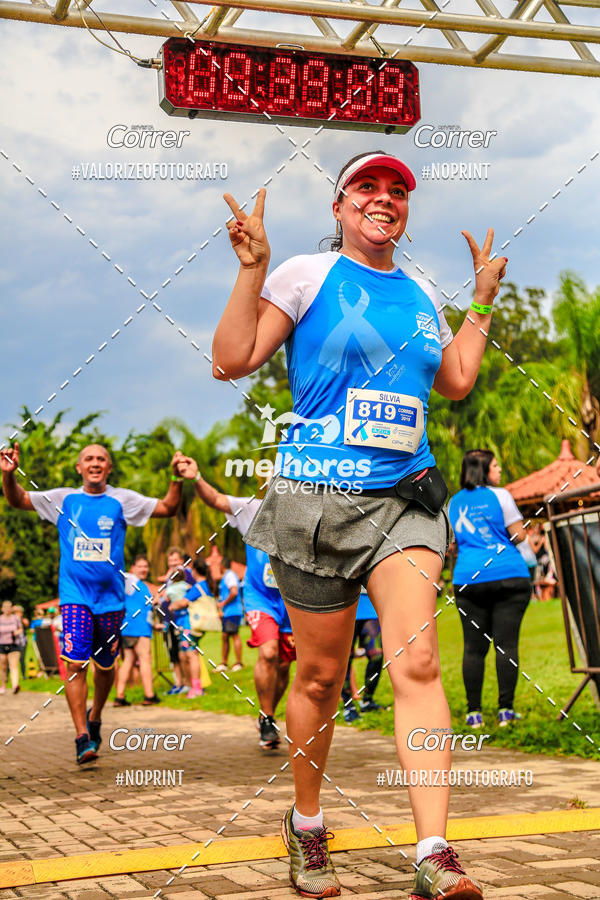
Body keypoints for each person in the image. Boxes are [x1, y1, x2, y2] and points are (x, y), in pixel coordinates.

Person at [212, 151, 506, 900]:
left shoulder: (421, 292)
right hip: (316, 499)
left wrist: (479, 303)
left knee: (418, 664)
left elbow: (456, 381)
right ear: (340, 206)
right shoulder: (305, 275)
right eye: (366, 187)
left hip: (406, 499)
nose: (384, 198)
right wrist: (252, 268)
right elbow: (231, 359)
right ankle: (307, 824)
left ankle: (434, 851)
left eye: (396, 190)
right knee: (319, 677)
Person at [0, 442, 193, 763]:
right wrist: (9, 474)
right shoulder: (63, 499)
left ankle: (96, 717)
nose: (94, 463)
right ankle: (81, 737)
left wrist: (176, 479)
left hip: (111, 601)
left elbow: (169, 508)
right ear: (79, 468)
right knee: (75, 663)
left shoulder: (122, 500)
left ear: (109, 467)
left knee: (105, 667)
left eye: (101, 459)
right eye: (88, 458)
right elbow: (18, 499)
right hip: (75, 596)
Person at [183, 464, 296, 749]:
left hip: (292, 599)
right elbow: (216, 499)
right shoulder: (251, 509)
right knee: (268, 653)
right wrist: (196, 477)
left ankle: (267, 715)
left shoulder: (305, 514)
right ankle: (267, 718)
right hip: (260, 597)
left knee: (284, 665)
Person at [448, 450, 531, 730]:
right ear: (483, 469)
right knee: (506, 645)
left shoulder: (453, 502)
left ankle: (474, 714)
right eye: (495, 465)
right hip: (508, 574)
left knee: (473, 649)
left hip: (469, 578)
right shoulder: (501, 495)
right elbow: (519, 535)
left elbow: (451, 544)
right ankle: (506, 711)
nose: (499, 469)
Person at [114, 555, 160, 707]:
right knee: (145, 659)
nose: (143, 569)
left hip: (131, 627)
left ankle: (119, 696)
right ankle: (149, 695)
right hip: (138, 627)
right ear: (133, 567)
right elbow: (119, 574)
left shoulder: (143, 585)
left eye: (146, 566)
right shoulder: (130, 580)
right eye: (140, 566)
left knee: (128, 660)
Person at [341, 589, 383, 722]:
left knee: (377, 654)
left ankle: (367, 700)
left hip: (369, 605)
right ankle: (349, 707)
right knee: (344, 659)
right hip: (344, 604)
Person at [158, 546, 195, 694]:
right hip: (170, 620)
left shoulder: (185, 573)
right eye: (171, 560)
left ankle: (186, 683)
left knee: (182, 652)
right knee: (173, 653)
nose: (173, 563)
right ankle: (179, 683)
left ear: (181, 560)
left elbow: (193, 590)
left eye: (176, 560)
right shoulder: (170, 576)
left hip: (181, 620)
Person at [165, 565, 204, 698]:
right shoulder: (187, 587)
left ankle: (196, 687)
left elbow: (166, 600)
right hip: (187, 621)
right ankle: (192, 685)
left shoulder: (169, 589)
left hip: (181, 623)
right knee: (186, 653)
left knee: (190, 653)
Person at [216, 557, 243, 673]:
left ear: (222, 566)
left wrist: (223, 603)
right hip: (229, 612)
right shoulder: (227, 576)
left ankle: (238, 663)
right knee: (225, 636)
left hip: (233, 611)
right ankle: (224, 662)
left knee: (234, 635)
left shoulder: (229, 575)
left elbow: (234, 592)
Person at [0, 600, 23, 694]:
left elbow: (21, 628)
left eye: (9, 607)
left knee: (13, 665)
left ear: (11, 608)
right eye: (5, 607)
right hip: (1, 645)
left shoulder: (16, 618)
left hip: (14, 644)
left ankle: (15, 685)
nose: (7, 609)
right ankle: (3, 686)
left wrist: (17, 632)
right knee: (3, 667)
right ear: (2, 609)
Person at [12, 605, 29, 678]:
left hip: (22, 642)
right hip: (14, 643)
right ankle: (8, 676)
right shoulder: (12, 620)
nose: (21, 614)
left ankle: (23, 675)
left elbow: (26, 624)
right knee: (12, 660)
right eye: (19, 612)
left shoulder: (23, 620)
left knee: (22, 659)